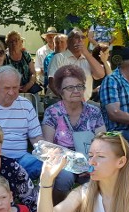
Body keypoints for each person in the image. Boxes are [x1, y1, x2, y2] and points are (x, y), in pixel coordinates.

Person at [42, 64, 106, 199]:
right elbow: (48, 146)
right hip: (62, 162)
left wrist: (89, 165)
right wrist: (75, 166)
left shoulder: (94, 112)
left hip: (90, 161)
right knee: (64, 178)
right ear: (60, 91)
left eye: (79, 86)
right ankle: (59, 211)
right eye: (70, 87)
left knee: (100, 177)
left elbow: (103, 142)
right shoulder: (52, 113)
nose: (76, 90)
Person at [0, 66, 43, 177]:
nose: (11, 92)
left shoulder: (26, 105)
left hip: (22, 159)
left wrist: (48, 155)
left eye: (15, 88)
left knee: (47, 167)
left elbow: (36, 138)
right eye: (7, 88)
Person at [48, 29, 106, 101]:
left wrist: (86, 53)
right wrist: (67, 99)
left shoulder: (88, 59)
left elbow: (100, 74)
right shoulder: (59, 58)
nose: (80, 40)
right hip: (61, 102)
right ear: (69, 41)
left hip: (84, 104)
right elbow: (52, 83)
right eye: (77, 37)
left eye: (83, 37)